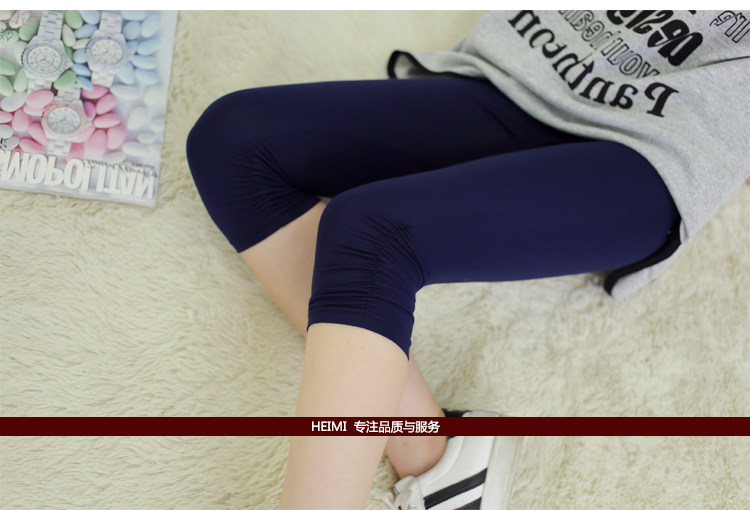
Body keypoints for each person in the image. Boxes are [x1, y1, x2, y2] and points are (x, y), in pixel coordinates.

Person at [186, 10, 749, 510]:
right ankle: (437, 457)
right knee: (232, 141)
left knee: (374, 231)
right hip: (530, 68)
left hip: (661, 147)